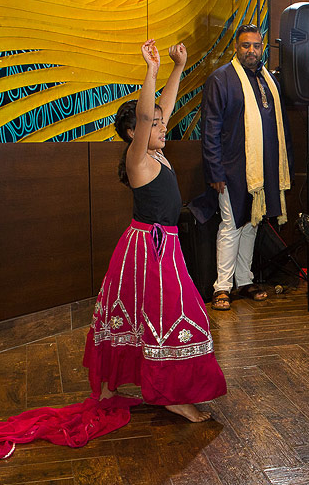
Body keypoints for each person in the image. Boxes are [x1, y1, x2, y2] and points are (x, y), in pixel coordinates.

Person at [86, 39, 226, 422]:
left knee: (139, 314)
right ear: (133, 133)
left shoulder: (157, 153)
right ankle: (166, 394)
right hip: (149, 247)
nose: (163, 127)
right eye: (155, 124)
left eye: (163, 123)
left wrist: (177, 67)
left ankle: (111, 388)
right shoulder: (138, 160)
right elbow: (149, 115)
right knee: (172, 313)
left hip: (157, 245)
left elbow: (161, 107)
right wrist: (150, 69)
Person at [198, 25, 292, 311]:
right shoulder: (221, 79)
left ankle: (245, 279)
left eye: (256, 45)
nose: (251, 50)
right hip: (231, 169)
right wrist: (215, 171)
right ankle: (222, 287)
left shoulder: (268, 80)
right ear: (236, 49)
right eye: (245, 46)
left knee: (252, 224)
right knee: (231, 225)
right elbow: (210, 130)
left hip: (262, 170)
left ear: (262, 47)